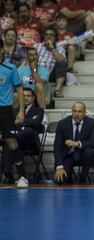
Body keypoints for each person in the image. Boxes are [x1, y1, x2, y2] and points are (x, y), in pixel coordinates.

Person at [3, 88, 44, 185]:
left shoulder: (39, 110)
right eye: (23, 96)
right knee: (11, 142)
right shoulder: (14, 110)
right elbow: (11, 124)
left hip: (31, 143)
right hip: (17, 143)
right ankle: (18, 176)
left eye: (28, 96)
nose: (25, 98)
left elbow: (36, 123)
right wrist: (27, 122)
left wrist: (20, 121)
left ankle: (7, 173)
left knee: (26, 132)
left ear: (33, 98)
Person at [0, 38, 26, 188]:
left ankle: (23, 176)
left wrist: (21, 110)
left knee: (11, 143)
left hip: (5, 111)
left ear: (1, 50)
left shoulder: (10, 68)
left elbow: (19, 89)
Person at [54, 102, 94, 184]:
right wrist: (59, 167)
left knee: (89, 151)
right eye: (74, 111)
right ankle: (69, 178)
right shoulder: (62, 123)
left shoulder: (91, 123)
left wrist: (77, 143)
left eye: (80, 112)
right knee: (60, 181)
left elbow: (93, 143)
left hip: (83, 155)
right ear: (71, 111)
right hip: (68, 155)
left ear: (84, 113)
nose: (76, 114)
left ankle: (83, 175)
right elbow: (57, 146)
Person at [34, 27, 67, 98]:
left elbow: (61, 60)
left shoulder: (60, 49)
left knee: (61, 63)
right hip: (37, 74)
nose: (48, 36)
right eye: (46, 35)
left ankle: (57, 90)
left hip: (51, 75)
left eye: (51, 35)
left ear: (55, 38)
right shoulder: (37, 46)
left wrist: (52, 47)